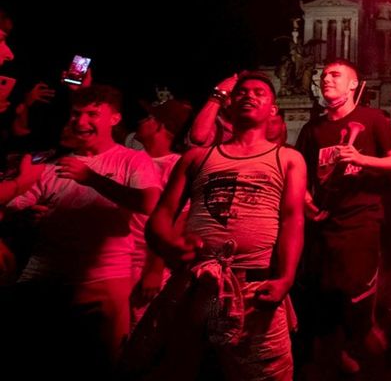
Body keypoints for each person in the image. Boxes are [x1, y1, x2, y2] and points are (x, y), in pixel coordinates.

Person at [140, 71, 305, 380]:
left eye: (259, 92)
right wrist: (167, 243)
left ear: (273, 109)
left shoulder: (288, 158)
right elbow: (161, 215)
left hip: (255, 286)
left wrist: (285, 278)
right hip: (195, 283)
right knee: (178, 368)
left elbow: (292, 218)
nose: (249, 95)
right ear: (229, 105)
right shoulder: (197, 158)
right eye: (242, 91)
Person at [6, 85, 162, 376]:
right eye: (77, 114)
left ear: (114, 119)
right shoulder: (54, 163)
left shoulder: (132, 159)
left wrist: (93, 179)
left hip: (104, 279)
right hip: (44, 278)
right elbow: (16, 202)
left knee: (106, 364)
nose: (81, 121)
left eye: (93, 114)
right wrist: (26, 213)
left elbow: (150, 202)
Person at [296, 58, 391, 376]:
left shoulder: (372, 119)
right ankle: (339, 359)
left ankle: (371, 350)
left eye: (336, 75)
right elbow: (302, 177)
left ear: (353, 85)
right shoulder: (312, 128)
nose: (326, 78)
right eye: (324, 75)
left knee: (357, 293)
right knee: (326, 298)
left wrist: (361, 158)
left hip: (362, 220)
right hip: (324, 225)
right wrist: (306, 203)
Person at [128, 98, 193, 328]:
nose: (140, 122)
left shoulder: (175, 165)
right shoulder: (133, 160)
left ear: (159, 126)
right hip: (122, 260)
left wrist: (154, 269)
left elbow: (176, 218)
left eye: (148, 118)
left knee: (142, 332)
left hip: (147, 265)